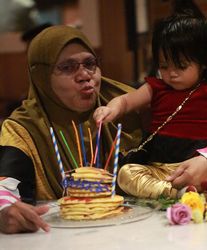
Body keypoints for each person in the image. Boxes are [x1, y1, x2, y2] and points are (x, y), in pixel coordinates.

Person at [0, 25, 143, 234]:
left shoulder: (127, 107)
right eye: (67, 67)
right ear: (42, 77)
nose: (85, 75)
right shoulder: (24, 127)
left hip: (136, 232)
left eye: (90, 63)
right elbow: (6, 184)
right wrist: (4, 210)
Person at [94, 15, 207, 201]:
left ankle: (201, 192)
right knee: (126, 174)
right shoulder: (155, 88)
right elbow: (127, 101)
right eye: (164, 66)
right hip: (160, 169)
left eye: (181, 66)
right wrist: (111, 109)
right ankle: (180, 193)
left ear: (204, 62)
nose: (171, 74)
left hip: (201, 167)